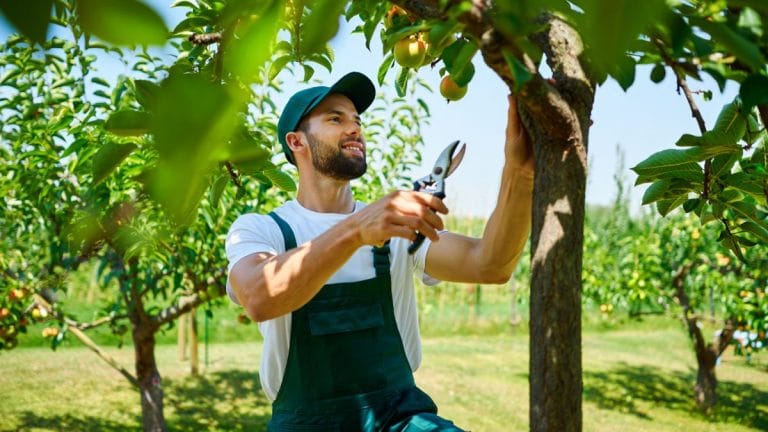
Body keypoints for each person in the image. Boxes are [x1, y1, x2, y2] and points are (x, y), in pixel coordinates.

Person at [225, 71, 533, 431]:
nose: (355, 128)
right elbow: (259, 297)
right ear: (297, 142)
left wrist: (521, 175)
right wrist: (357, 229)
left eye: (357, 120)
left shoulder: (393, 227)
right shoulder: (262, 230)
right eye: (335, 118)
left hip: (399, 419)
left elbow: (490, 265)